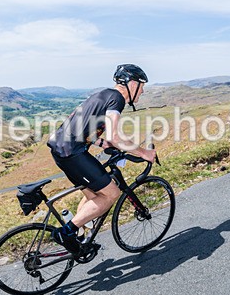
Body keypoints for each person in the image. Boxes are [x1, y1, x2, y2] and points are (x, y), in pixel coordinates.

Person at [47, 64, 156, 254]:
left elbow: (84, 127)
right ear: (131, 84)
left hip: (62, 149)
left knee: (94, 195)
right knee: (111, 194)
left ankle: (80, 236)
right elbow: (115, 136)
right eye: (141, 85)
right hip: (72, 153)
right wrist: (143, 153)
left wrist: (102, 143)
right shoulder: (117, 99)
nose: (142, 90)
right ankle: (66, 233)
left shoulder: (103, 95)